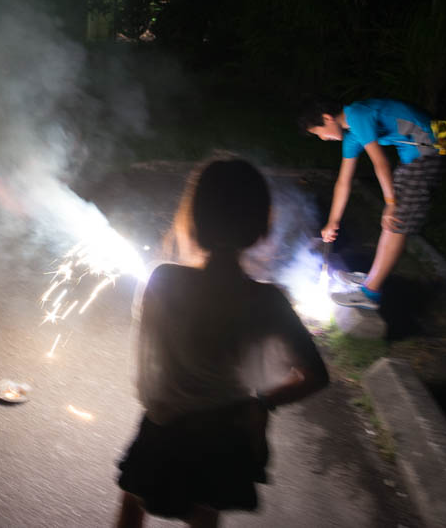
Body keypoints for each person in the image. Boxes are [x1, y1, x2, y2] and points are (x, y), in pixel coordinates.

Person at [116, 159, 329, 528]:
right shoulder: (269, 301)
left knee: (133, 500)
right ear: (260, 226)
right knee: (205, 513)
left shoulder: (162, 279)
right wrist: (263, 403)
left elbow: (149, 356)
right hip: (226, 437)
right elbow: (315, 375)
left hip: (165, 427)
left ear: (195, 221)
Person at [301, 98, 446, 310]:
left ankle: (370, 293)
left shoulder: (357, 115)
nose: (323, 139)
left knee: (396, 221)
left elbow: (381, 163)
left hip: (428, 151)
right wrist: (332, 221)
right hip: (412, 157)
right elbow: (343, 182)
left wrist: (390, 202)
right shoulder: (352, 136)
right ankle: (372, 279)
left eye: (320, 133)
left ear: (327, 118)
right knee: (391, 222)